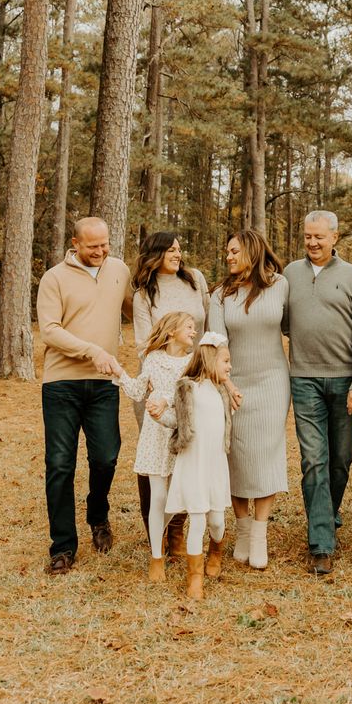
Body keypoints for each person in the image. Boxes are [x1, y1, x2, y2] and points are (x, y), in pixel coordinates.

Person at [37, 216, 131, 574]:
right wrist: (93, 351)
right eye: (93, 246)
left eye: (105, 244)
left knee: (106, 457)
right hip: (61, 383)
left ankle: (98, 514)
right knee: (60, 465)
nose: (101, 251)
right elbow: (50, 330)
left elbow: (134, 309)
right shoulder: (54, 278)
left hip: (105, 385)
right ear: (74, 243)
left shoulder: (118, 269)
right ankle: (62, 546)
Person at [283, 210, 352, 575]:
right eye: (307, 236)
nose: (313, 243)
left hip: (344, 382)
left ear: (335, 237)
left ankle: (327, 512)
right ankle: (321, 543)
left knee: (341, 459)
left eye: (319, 237)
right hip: (304, 379)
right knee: (313, 461)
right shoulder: (290, 274)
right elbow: (286, 322)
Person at [208, 229, 290, 571]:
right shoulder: (220, 295)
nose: (228, 256)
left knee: (267, 452)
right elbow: (215, 343)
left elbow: (295, 328)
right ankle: (242, 528)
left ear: (252, 253)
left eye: (234, 251)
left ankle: (259, 533)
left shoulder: (281, 286)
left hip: (272, 380)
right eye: (227, 251)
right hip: (234, 383)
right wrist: (227, 384)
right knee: (237, 454)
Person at [132, 232, 209, 554]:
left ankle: (177, 530)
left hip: (193, 384)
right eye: (171, 250)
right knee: (156, 460)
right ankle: (156, 531)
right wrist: (163, 377)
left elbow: (206, 330)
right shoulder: (143, 295)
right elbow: (141, 344)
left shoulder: (195, 280)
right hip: (158, 384)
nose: (178, 254)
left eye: (180, 248)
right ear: (155, 254)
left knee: (186, 455)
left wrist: (198, 372)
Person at [112, 311, 195, 582]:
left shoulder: (193, 362)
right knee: (158, 496)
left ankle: (168, 536)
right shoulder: (153, 358)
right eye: (189, 327)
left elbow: (191, 394)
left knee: (180, 495)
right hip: (155, 435)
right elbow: (138, 391)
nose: (194, 332)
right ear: (171, 332)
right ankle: (156, 556)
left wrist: (166, 400)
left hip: (181, 432)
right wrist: (120, 373)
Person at [159, 332, 235, 600]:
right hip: (193, 463)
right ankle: (195, 577)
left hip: (214, 464)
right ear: (211, 359)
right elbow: (176, 418)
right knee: (198, 519)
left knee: (216, 520)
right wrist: (159, 414)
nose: (229, 367)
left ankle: (216, 550)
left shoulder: (223, 392)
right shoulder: (187, 387)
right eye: (225, 361)